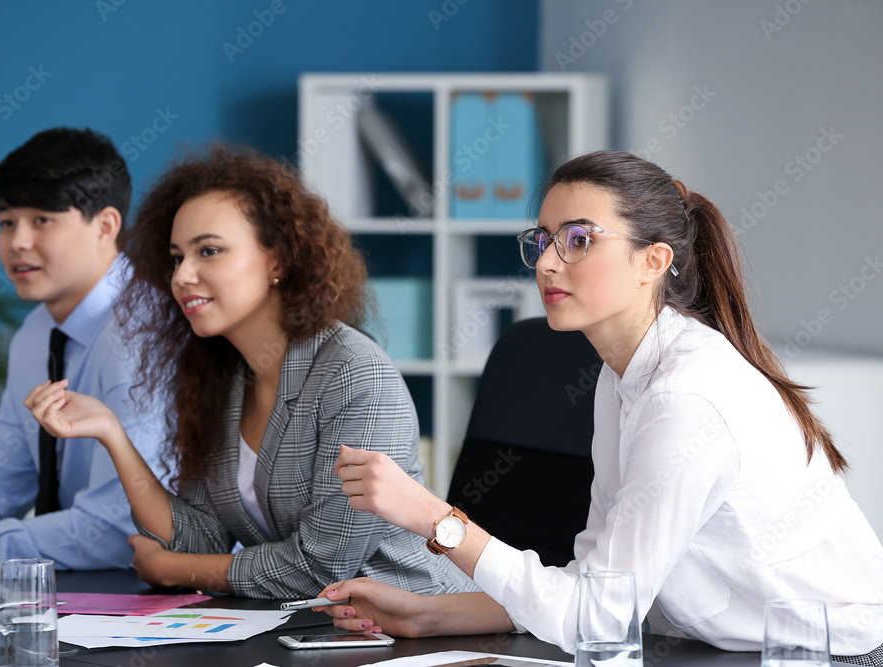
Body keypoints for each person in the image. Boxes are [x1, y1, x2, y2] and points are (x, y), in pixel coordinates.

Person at [317, 151, 883, 663]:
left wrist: (431, 518)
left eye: (579, 240)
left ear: (654, 261)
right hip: (707, 646)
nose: (547, 264)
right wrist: (430, 613)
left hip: (818, 658)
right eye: (542, 240)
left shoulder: (685, 401)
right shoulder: (623, 375)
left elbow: (597, 621)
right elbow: (597, 587)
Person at [26, 144, 475, 599]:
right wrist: (111, 434)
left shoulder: (354, 374)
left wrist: (177, 568)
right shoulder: (223, 378)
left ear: (277, 260)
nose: (182, 276)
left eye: (209, 251)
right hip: (312, 632)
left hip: (423, 629)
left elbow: (321, 567)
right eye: (178, 257)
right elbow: (199, 537)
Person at [0, 127, 168, 570]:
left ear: (106, 226)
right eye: (7, 222)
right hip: (81, 593)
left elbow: (115, 531)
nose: (17, 242)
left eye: (42, 220)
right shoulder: (35, 332)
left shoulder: (141, 334)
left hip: (168, 598)